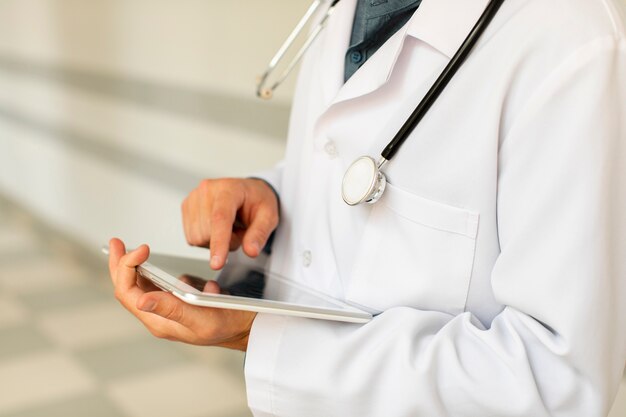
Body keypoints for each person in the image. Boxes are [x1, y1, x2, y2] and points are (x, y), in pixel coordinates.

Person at [108, 0, 626, 415]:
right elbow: (347, 163)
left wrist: (261, 336)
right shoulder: (339, 10)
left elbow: (557, 386)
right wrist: (270, 194)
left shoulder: (571, 36)